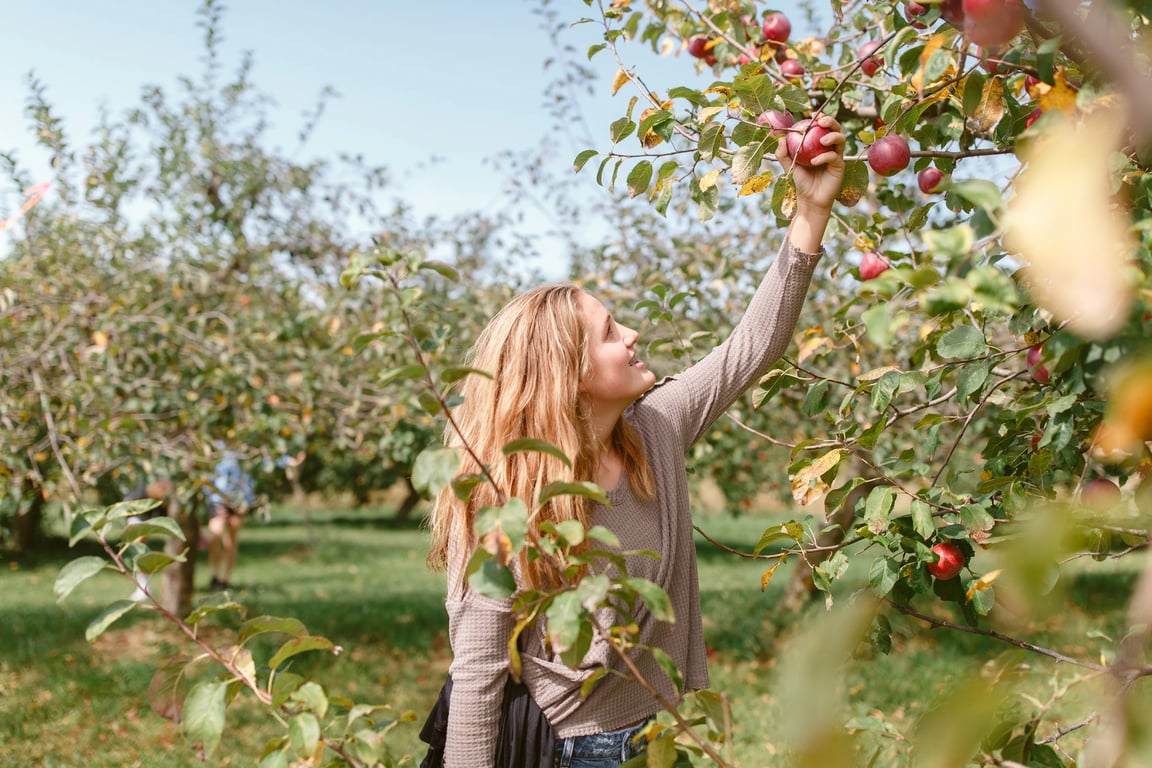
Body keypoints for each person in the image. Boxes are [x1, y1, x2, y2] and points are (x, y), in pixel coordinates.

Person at [426, 116, 846, 767]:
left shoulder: (656, 430)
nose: (632, 336)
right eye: (609, 331)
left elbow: (752, 347)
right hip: (578, 752)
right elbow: (478, 678)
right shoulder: (506, 501)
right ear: (567, 374)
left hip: (663, 736)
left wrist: (810, 211)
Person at [205, 451, 256, 591]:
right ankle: (214, 574)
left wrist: (247, 501)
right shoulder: (215, 447)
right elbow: (207, 476)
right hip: (218, 500)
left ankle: (225, 579)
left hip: (238, 501)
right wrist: (210, 497)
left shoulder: (244, 448)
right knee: (216, 534)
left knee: (231, 540)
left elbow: (248, 477)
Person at [123, 477, 175, 602]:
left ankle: (143, 587)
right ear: (155, 485)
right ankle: (143, 587)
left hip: (145, 518)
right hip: (135, 516)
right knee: (137, 546)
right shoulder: (138, 495)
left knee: (139, 548)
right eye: (162, 489)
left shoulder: (158, 501)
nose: (164, 494)